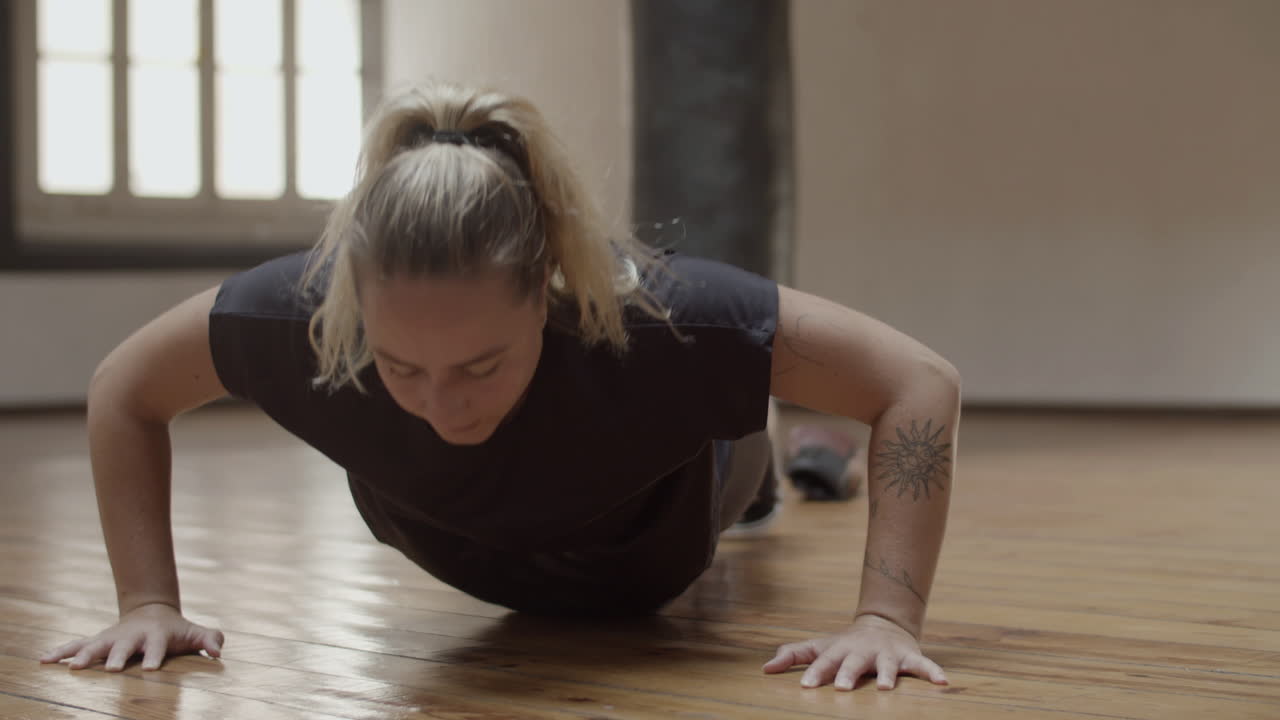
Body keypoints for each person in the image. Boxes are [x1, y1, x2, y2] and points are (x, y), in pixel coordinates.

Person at [39, 81, 960, 692]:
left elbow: (918, 381)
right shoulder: (300, 318)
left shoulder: (666, 322)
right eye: (403, 368)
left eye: (481, 365)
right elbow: (125, 389)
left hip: (657, 536)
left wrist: (886, 618)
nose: (443, 405)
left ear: (550, 291)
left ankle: (772, 445)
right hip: (466, 541)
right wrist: (148, 602)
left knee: (740, 441)